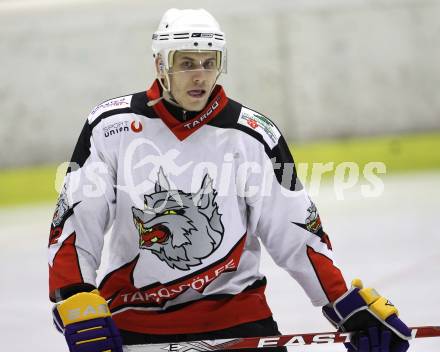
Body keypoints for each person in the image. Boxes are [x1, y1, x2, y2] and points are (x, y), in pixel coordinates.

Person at [48, 8, 412, 352]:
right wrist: (75, 296)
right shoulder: (112, 127)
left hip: (238, 318)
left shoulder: (253, 136)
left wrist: (343, 304)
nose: (200, 76)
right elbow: (78, 220)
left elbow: (296, 233)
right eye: (186, 63)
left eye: (209, 63)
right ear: (161, 64)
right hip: (135, 318)